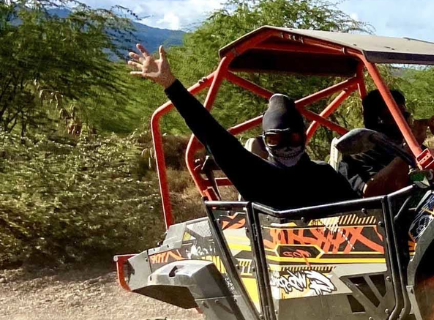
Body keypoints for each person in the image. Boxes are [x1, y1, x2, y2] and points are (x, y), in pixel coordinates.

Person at [127, 44, 357, 210]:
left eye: (294, 138)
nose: (286, 147)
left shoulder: (325, 176)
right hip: (278, 268)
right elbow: (214, 137)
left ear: (304, 138)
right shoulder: (258, 176)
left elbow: (360, 215)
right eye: (276, 140)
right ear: (266, 141)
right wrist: (170, 84)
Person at [341, 88, 434, 197]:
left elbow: (418, 182)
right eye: (396, 116)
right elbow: (373, 193)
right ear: (378, 121)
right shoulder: (358, 155)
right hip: (392, 212)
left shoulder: (413, 148)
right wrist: (409, 149)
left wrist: (429, 174)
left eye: (405, 115)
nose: (405, 121)